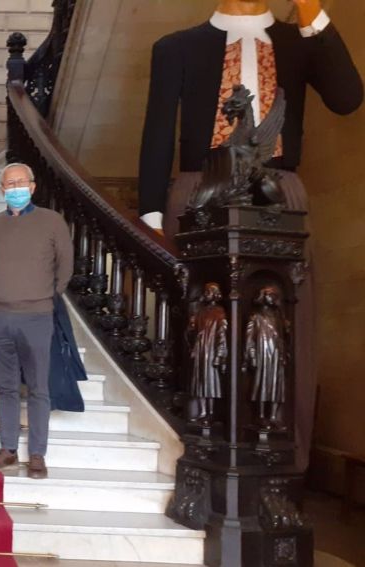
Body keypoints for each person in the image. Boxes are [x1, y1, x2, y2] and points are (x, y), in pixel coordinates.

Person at [136, 0, 361, 467]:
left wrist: (309, 9)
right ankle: (192, 446)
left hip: (278, 188)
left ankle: (279, 454)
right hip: (200, 186)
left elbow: (347, 98)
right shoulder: (176, 47)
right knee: (196, 320)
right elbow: (157, 131)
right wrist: (152, 216)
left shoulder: (299, 43)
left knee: (283, 318)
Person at [0, 163, 73, 479]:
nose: (15, 188)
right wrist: (2, 292)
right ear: (1, 190)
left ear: (32, 186)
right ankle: (8, 449)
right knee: (5, 386)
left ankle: (37, 454)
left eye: (21, 182)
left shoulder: (52, 221)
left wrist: (43, 295)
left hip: (37, 315)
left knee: (38, 386)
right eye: (9, 184)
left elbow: (65, 266)